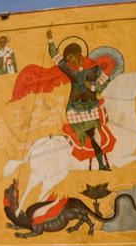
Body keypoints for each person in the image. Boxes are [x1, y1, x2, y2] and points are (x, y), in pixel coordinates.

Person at [47, 29, 111, 170]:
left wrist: (93, 87)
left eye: (70, 58)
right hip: (75, 108)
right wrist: (50, 40)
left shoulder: (94, 68)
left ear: (78, 54)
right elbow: (55, 56)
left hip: (91, 106)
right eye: (68, 60)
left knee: (96, 135)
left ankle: (101, 162)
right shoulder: (70, 69)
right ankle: (99, 163)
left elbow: (104, 84)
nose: (69, 62)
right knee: (88, 137)